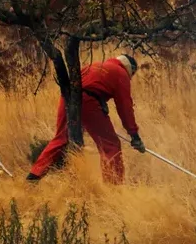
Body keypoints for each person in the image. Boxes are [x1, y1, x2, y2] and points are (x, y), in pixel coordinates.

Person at [27, 54, 144, 184]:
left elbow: (87, 84)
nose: (131, 78)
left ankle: (34, 176)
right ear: (130, 69)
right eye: (132, 74)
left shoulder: (96, 65)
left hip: (68, 96)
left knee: (61, 138)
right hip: (87, 101)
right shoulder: (121, 73)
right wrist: (134, 135)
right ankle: (114, 188)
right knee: (111, 146)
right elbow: (125, 107)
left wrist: (100, 101)